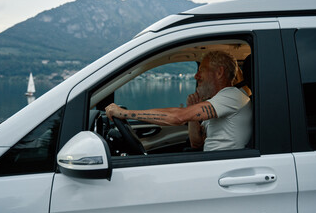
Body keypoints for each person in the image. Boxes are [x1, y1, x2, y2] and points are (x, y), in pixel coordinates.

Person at [105, 51, 252, 151]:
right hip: (211, 163)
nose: (196, 76)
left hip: (220, 168)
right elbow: (196, 143)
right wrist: (193, 113)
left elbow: (178, 117)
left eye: (202, 69)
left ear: (219, 72)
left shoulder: (233, 96)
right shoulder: (217, 103)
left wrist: (125, 113)